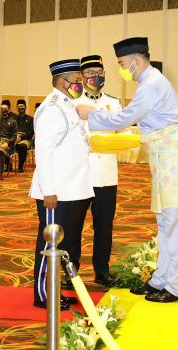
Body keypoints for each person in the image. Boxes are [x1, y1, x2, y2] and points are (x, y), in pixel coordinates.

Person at [76, 37, 178, 303]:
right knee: (165, 223)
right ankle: (161, 280)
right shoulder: (149, 83)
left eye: (122, 64)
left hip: (175, 160)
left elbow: (125, 118)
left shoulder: (152, 85)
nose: (121, 69)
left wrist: (91, 115)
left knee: (176, 224)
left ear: (135, 61)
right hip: (165, 159)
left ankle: (177, 287)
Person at [31, 59, 93, 310]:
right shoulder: (51, 108)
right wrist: (49, 191)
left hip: (73, 189)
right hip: (56, 192)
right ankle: (42, 295)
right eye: (77, 80)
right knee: (50, 243)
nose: (81, 84)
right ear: (62, 81)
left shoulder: (69, 105)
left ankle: (54, 291)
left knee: (63, 244)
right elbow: (43, 153)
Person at [72, 55, 122, 289]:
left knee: (104, 226)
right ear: (82, 76)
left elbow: (120, 132)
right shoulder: (73, 102)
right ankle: (71, 272)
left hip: (106, 174)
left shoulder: (114, 103)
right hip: (80, 173)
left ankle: (102, 271)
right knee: (74, 225)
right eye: (91, 73)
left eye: (100, 73)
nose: (96, 77)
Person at [0, 100, 17, 180]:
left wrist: (7, 143)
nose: (3, 110)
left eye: (5, 109)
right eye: (2, 109)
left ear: (9, 110)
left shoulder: (13, 122)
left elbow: (14, 136)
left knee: (1, 150)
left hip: (7, 143)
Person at [14, 99, 34, 173]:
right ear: (17, 108)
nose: (21, 108)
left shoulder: (30, 119)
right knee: (6, 145)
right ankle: (8, 166)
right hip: (14, 138)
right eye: (19, 106)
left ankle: (20, 166)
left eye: (22, 106)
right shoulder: (14, 118)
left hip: (26, 139)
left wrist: (21, 138)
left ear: (25, 107)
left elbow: (31, 132)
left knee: (22, 146)